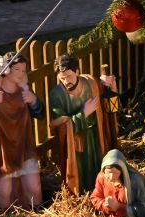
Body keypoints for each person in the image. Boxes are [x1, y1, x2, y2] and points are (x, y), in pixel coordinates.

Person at [0, 52, 44, 209]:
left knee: (34, 187)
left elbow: (41, 114)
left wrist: (33, 101)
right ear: (6, 70)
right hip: (2, 149)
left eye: (23, 70)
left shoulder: (24, 90)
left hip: (24, 146)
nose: (21, 74)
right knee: (5, 191)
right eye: (17, 69)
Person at [49, 53, 117, 194]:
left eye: (69, 76)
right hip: (75, 143)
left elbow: (109, 102)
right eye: (62, 78)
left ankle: (102, 192)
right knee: (82, 173)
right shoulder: (56, 95)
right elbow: (59, 126)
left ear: (77, 72)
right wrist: (83, 114)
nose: (66, 81)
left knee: (99, 166)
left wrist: (110, 86)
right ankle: (84, 196)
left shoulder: (91, 83)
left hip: (96, 137)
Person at [90, 149, 145, 217]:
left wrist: (119, 207)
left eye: (115, 173)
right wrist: (105, 205)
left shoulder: (135, 180)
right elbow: (95, 197)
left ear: (122, 171)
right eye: (108, 173)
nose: (111, 177)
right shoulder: (101, 177)